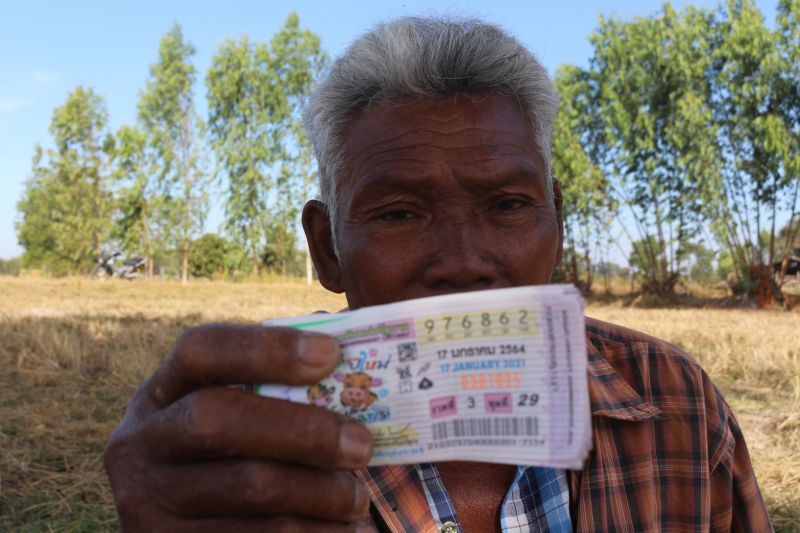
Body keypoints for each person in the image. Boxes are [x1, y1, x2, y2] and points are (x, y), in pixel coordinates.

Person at [104, 17, 773, 532]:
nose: (463, 262)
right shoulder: (252, 441)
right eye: (398, 213)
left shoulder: (675, 401)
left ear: (557, 224)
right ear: (327, 248)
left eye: (508, 205)